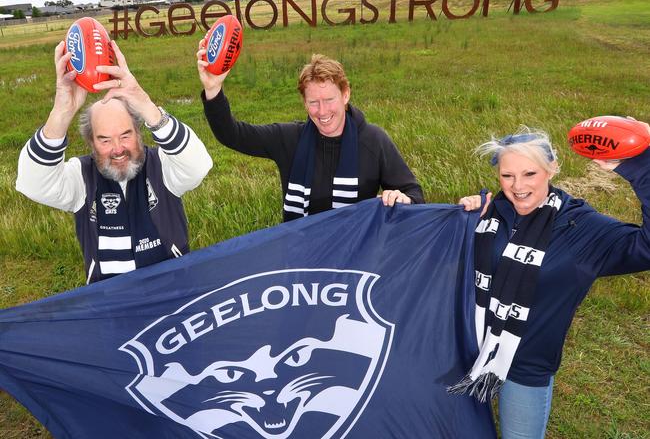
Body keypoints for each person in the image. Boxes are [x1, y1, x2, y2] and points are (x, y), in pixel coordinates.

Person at [454, 127, 650, 438]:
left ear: (552, 169)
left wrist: (640, 167)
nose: (518, 187)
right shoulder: (488, 213)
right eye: (508, 176)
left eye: (530, 173)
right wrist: (459, 218)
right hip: (466, 349)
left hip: (527, 366)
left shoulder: (581, 227)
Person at [16, 40, 213, 284]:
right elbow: (34, 184)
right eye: (105, 140)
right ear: (91, 142)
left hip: (173, 294)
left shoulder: (162, 166)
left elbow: (198, 165)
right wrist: (61, 112)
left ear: (140, 132)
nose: (118, 149)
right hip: (111, 305)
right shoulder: (82, 177)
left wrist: (145, 105)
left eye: (126, 135)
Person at [196, 50, 424, 222]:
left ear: (345, 95)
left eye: (329, 100)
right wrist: (213, 90)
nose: (322, 112)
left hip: (355, 257)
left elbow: (413, 194)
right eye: (313, 102)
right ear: (304, 102)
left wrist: (403, 199)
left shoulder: (374, 140)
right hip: (301, 258)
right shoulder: (289, 139)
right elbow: (232, 135)